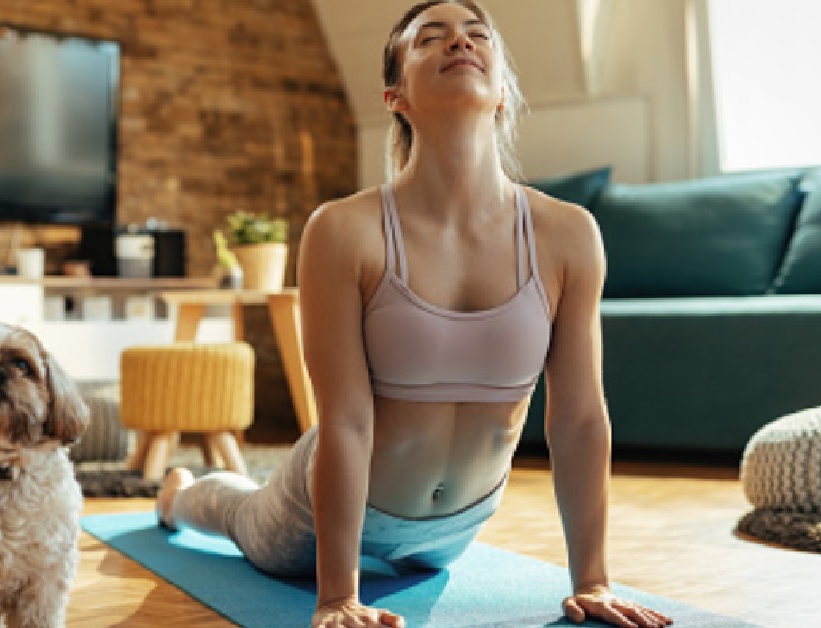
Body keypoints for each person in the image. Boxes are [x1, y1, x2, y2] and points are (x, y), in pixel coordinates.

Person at [155, 2, 674, 627]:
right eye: (432, 38)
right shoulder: (345, 230)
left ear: (503, 90)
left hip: (458, 526)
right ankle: (181, 495)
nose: (460, 42)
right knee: (242, 517)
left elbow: (581, 415)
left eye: (477, 35)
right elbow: (344, 420)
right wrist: (339, 596)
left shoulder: (568, 234)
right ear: (394, 94)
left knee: (423, 565)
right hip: (328, 507)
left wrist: (592, 579)